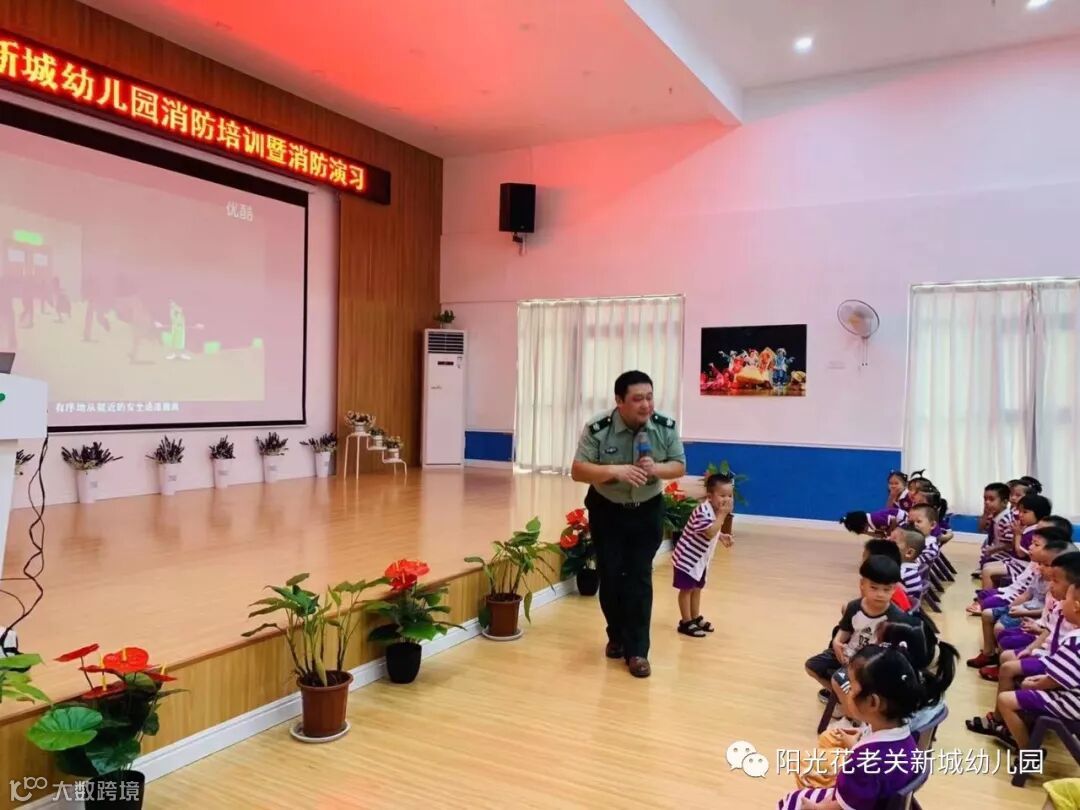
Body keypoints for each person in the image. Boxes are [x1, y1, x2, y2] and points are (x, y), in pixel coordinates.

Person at [571, 370, 686, 678]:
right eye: (637, 399)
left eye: (649, 397)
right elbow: (578, 470)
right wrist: (615, 471)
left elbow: (679, 465)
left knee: (639, 577)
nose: (646, 405)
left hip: (646, 511)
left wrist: (656, 468)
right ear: (619, 401)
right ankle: (616, 635)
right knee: (610, 576)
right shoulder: (598, 428)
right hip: (607, 510)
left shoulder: (664, 427)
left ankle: (638, 652)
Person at [779, 645, 930, 809]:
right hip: (870, 798)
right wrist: (856, 744)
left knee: (789, 802)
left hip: (848, 803)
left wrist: (816, 808)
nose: (847, 691)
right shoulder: (905, 734)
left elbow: (843, 807)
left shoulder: (861, 765)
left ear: (873, 702)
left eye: (851, 687)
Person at [671, 472, 734, 637]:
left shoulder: (714, 510)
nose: (726, 499)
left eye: (729, 495)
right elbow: (708, 532)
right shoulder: (703, 511)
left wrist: (721, 536)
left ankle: (695, 617)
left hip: (699, 560)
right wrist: (722, 515)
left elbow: (712, 530)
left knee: (697, 588)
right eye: (722, 495)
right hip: (687, 560)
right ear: (710, 496)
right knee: (686, 590)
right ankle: (685, 622)